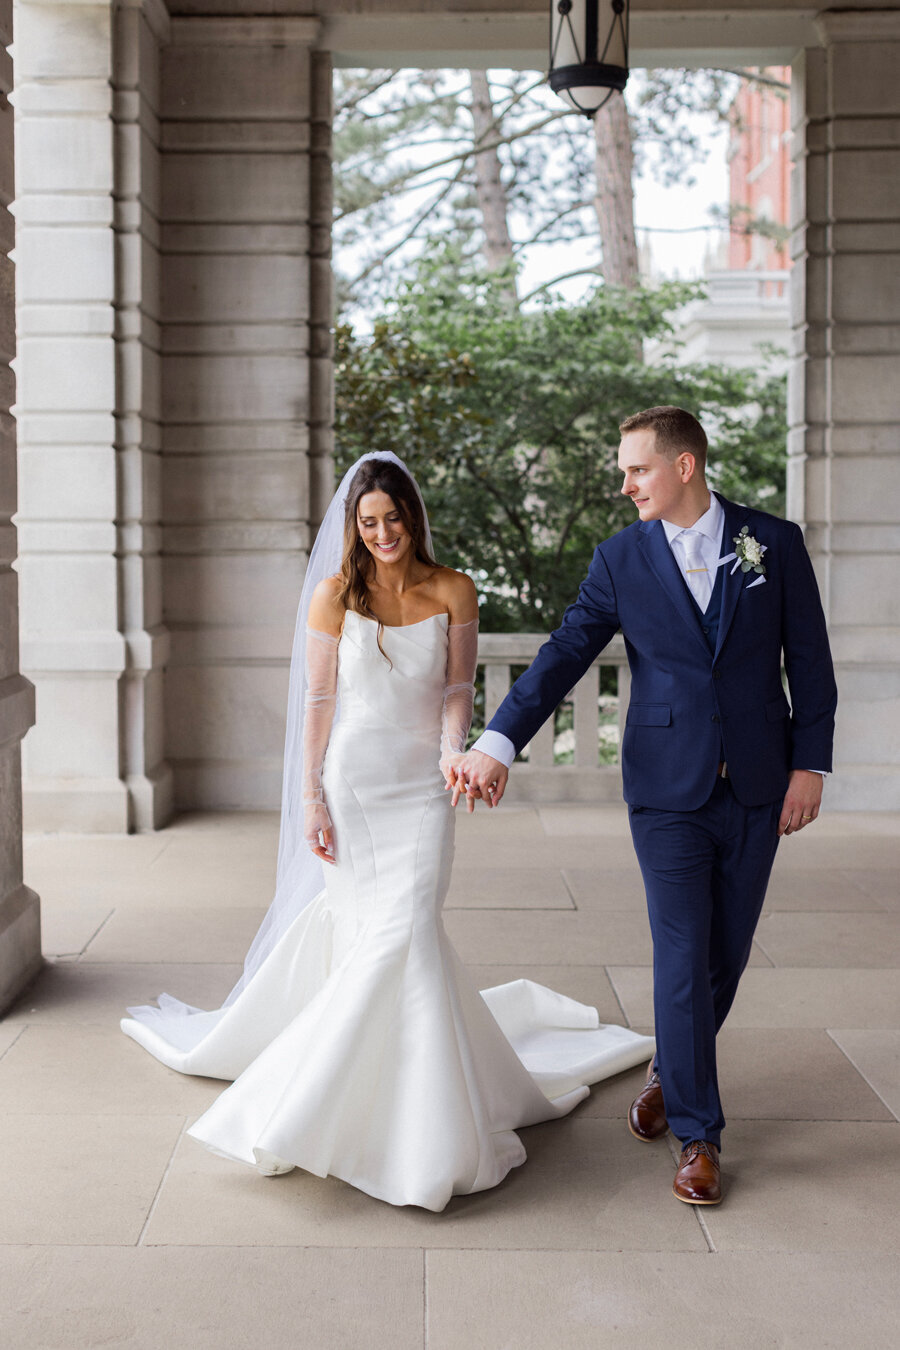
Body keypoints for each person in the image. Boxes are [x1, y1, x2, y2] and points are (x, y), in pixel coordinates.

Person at [121, 452, 653, 1212]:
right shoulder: (335, 596)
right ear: (355, 527)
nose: (381, 534)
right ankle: (344, 1107)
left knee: (409, 924)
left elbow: (458, 687)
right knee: (388, 935)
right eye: (367, 523)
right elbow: (316, 704)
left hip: (423, 787)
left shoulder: (454, 589)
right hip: (353, 784)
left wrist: (452, 751)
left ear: (413, 516)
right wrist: (310, 797)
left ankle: (367, 1103)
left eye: (392, 519)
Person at [450, 407, 837, 1206]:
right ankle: (700, 1135)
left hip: (762, 784)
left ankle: (672, 1067)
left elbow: (811, 663)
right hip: (666, 789)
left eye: (637, 470)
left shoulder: (773, 543)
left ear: (685, 466)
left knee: (724, 953)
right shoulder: (620, 559)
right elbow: (564, 653)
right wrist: (497, 741)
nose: (624, 486)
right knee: (681, 954)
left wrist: (813, 765)